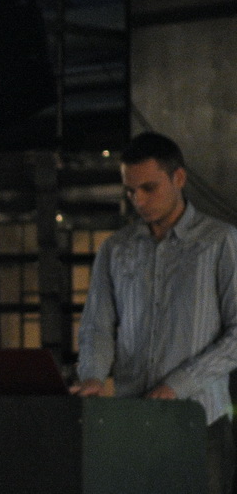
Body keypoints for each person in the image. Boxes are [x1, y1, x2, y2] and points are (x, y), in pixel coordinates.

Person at [72, 131, 237, 494]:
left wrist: (178, 384)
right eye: (131, 191)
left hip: (201, 420)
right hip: (132, 419)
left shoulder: (221, 242)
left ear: (179, 178)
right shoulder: (116, 249)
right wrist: (94, 376)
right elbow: (98, 325)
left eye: (149, 188)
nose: (139, 201)